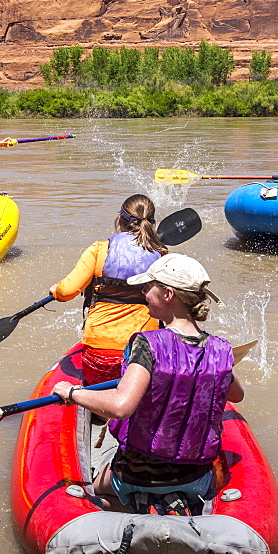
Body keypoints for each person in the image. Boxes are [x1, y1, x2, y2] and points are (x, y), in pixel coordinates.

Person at [52, 253, 242, 513]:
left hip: (136, 475)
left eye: (148, 286)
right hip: (195, 479)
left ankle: (126, 508)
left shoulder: (147, 343)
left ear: (168, 295)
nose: (143, 292)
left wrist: (72, 392)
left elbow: (120, 407)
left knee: (95, 490)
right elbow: (237, 395)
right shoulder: (221, 349)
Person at [49, 194, 168, 386]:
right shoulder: (162, 255)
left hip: (100, 352)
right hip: (143, 352)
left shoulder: (99, 250)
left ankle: (100, 409)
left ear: (120, 220)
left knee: (100, 390)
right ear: (151, 223)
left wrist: (55, 290)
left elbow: (66, 292)